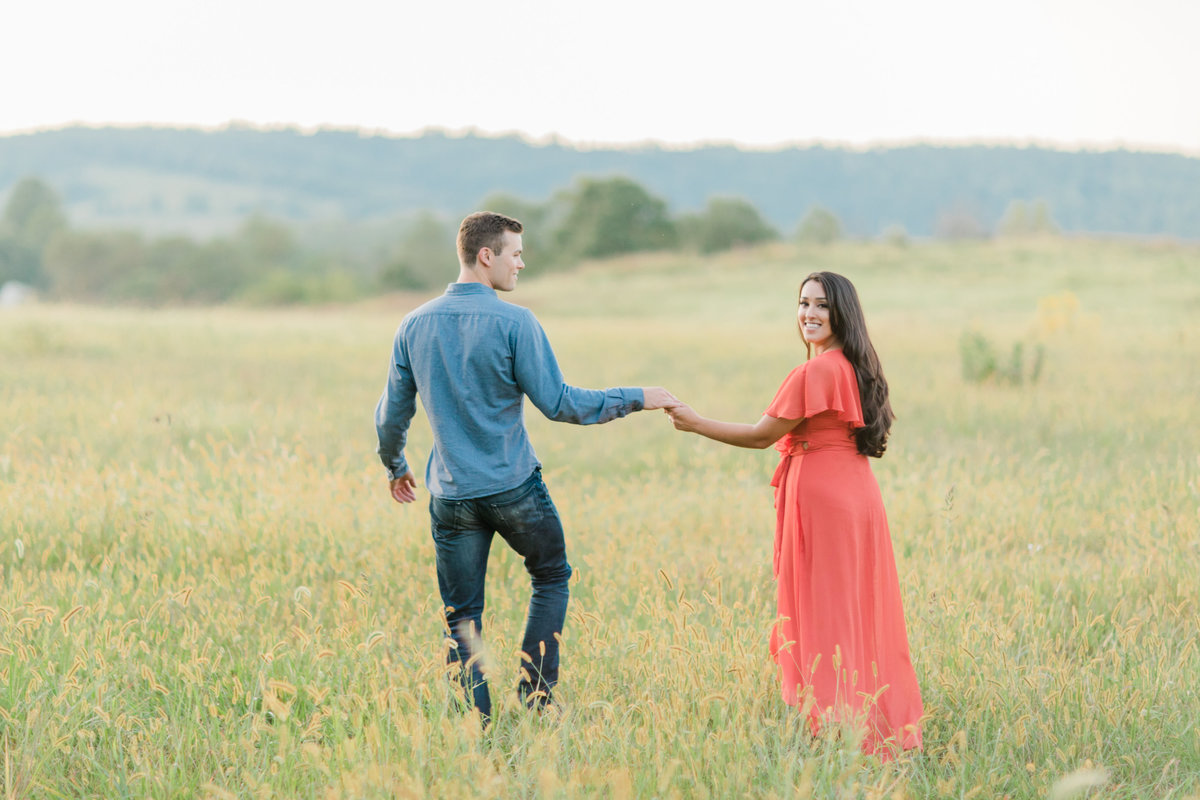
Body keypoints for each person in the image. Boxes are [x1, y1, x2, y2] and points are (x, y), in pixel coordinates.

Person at [376, 211, 677, 723]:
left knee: (461, 616)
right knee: (551, 576)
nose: (521, 263)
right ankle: (536, 699)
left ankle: (475, 724)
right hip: (514, 488)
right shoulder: (516, 322)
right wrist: (637, 397)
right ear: (486, 256)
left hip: (450, 496)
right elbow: (560, 403)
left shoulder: (414, 323)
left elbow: (391, 415)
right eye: (515, 253)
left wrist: (395, 464)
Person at [665, 271, 922, 758]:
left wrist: (696, 423)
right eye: (803, 303)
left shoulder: (816, 371)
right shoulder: (853, 365)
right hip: (855, 492)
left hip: (824, 496)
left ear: (842, 312)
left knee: (823, 610)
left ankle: (835, 723)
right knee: (852, 607)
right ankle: (864, 716)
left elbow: (762, 435)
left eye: (821, 305)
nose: (809, 313)